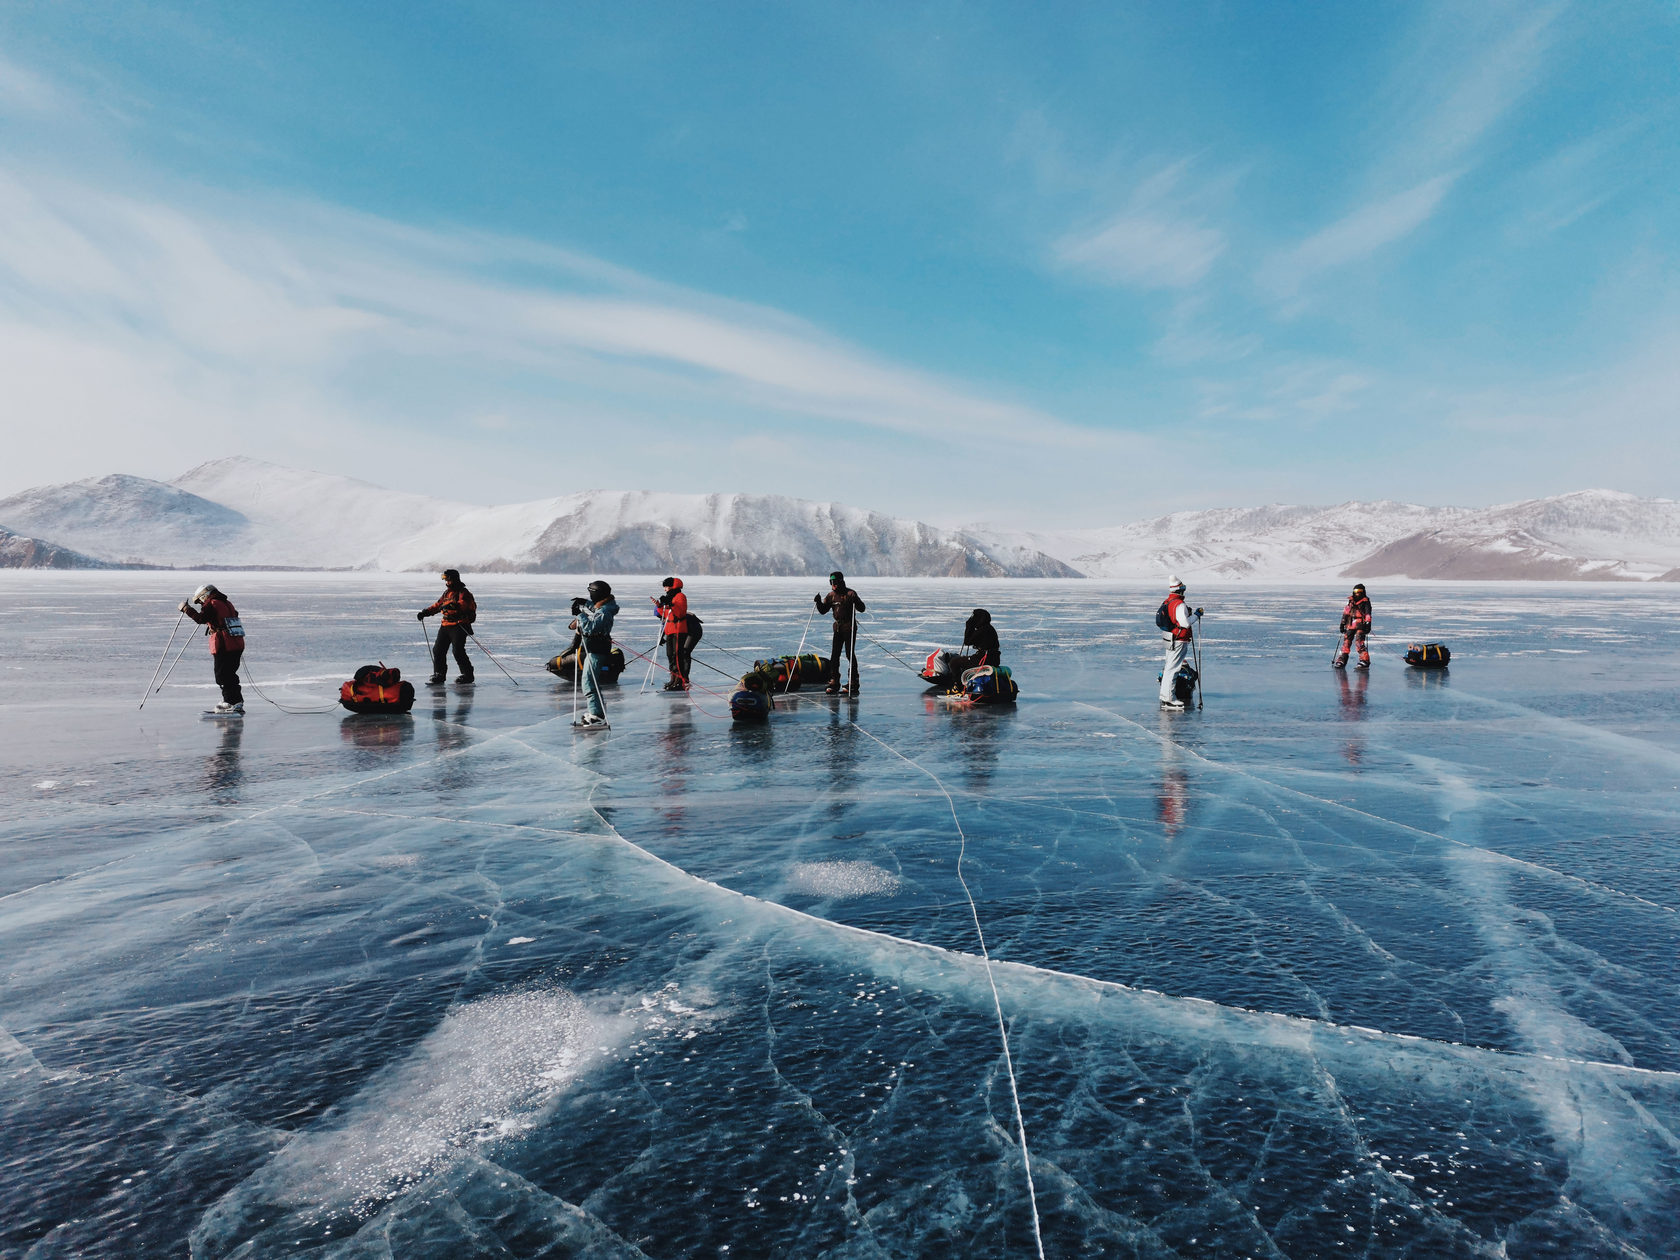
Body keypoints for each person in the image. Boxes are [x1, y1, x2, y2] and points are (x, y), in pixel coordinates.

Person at [179, 583, 246, 714]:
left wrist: (186, 609)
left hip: (224, 644)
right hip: (236, 642)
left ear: (205, 595)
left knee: (222, 675)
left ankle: (229, 703)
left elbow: (200, 618)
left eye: (201, 600)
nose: (202, 603)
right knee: (230, 674)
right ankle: (236, 702)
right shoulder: (227, 603)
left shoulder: (212, 603)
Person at [571, 580, 619, 726]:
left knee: (589, 683)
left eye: (590, 594)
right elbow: (598, 611)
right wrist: (585, 603)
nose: (590, 596)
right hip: (594, 649)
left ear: (596, 594)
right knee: (590, 682)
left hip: (597, 649)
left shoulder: (605, 611)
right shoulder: (606, 607)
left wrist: (580, 615)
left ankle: (596, 715)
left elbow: (591, 628)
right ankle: (596, 712)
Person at [418, 569, 476, 686]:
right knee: (438, 650)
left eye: (447, 580)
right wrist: (425, 612)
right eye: (445, 580)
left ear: (453, 579)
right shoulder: (446, 593)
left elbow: (465, 606)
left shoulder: (463, 593)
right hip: (445, 626)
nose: (446, 582)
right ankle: (439, 674)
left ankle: (467, 675)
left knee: (458, 651)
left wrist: (454, 606)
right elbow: (438, 605)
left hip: (459, 625)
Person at [815, 571, 866, 695]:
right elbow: (823, 611)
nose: (833, 585)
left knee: (849, 654)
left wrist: (856, 601)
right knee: (834, 655)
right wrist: (818, 603)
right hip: (837, 628)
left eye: (835, 582)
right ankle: (834, 682)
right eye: (831, 582)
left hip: (849, 627)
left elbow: (862, 608)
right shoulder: (831, 596)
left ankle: (853, 682)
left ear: (840, 581)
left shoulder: (850, 594)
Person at [1158, 576, 1199, 710]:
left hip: (1170, 639)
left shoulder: (1168, 601)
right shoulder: (1179, 604)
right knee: (1173, 669)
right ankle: (1170, 699)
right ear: (1180, 590)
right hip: (1179, 640)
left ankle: (1165, 697)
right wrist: (1196, 615)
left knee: (1169, 668)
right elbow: (1185, 623)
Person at [654, 576, 691, 691]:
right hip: (670, 630)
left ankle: (679, 681)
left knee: (677, 656)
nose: (665, 589)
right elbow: (665, 614)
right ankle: (673, 679)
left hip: (678, 630)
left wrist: (670, 603)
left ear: (672, 586)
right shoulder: (671, 597)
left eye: (666, 586)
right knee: (670, 655)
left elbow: (679, 613)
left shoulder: (680, 597)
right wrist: (660, 605)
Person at [1334, 582, 1373, 670]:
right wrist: (1342, 623)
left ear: (1363, 592)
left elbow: (1368, 614)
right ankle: (1342, 660)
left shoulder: (1365, 602)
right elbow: (1346, 612)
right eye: (1355, 591)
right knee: (1346, 642)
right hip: (1350, 624)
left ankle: (1364, 660)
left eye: (1359, 591)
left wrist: (1368, 624)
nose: (1357, 593)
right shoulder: (1351, 601)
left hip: (1360, 625)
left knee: (1359, 642)